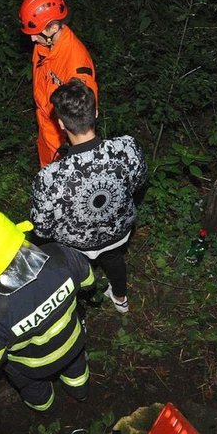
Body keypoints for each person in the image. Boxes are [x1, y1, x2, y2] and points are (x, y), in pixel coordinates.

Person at [0, 208, 95, 412]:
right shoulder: (61, 255)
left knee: (33, 389)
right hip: (73, 343)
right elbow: (89, 283)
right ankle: (81, 392)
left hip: (32, 369)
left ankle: (47, 409)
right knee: (76, 369)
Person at [30, 79, 148, 313]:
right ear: (95, 112)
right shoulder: (127, 148)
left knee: (74, 270)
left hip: (74, 246)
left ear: (61, 124)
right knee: (114, 260)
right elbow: (140, 183)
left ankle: (73, 308)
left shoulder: (50, 177)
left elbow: (41, 229)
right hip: (118, 232)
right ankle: (121, 299)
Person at [18, 0, 98, 168]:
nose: (31, 39)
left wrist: (70, 158)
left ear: (54, 27)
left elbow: (82, 121)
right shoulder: (44, 45)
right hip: (47, 134)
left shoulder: (76, 64)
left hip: (64, 144)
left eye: (36, 32)